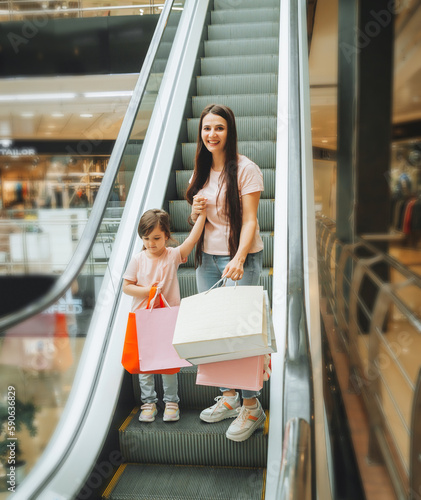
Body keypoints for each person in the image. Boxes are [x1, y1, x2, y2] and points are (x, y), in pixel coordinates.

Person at [185, 104, 265, 442]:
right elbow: (199, 220)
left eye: (218, 128)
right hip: (207, 260)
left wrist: (240, 256)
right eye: (206, 128)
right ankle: (230, 396)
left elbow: (250, 220)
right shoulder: (200, 171)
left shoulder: (247, 169)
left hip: (239, 260)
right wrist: (193, 212)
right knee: (213, 333)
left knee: (239, 335)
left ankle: (251, 406)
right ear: (200, 132)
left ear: (229, 131)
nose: (211, 134)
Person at [122, 208, 206, 423]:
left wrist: (202, 216)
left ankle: (171, 402)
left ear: (167, 236)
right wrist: (148, 290)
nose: (151, 243)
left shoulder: (173, 255)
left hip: (167, 318)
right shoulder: (138, 259)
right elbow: (127, 287)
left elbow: (192, 240)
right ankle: (148, 402)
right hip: (143, 318)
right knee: (145, 364)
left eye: (157, 238)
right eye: (146, 238)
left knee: (169, 362)